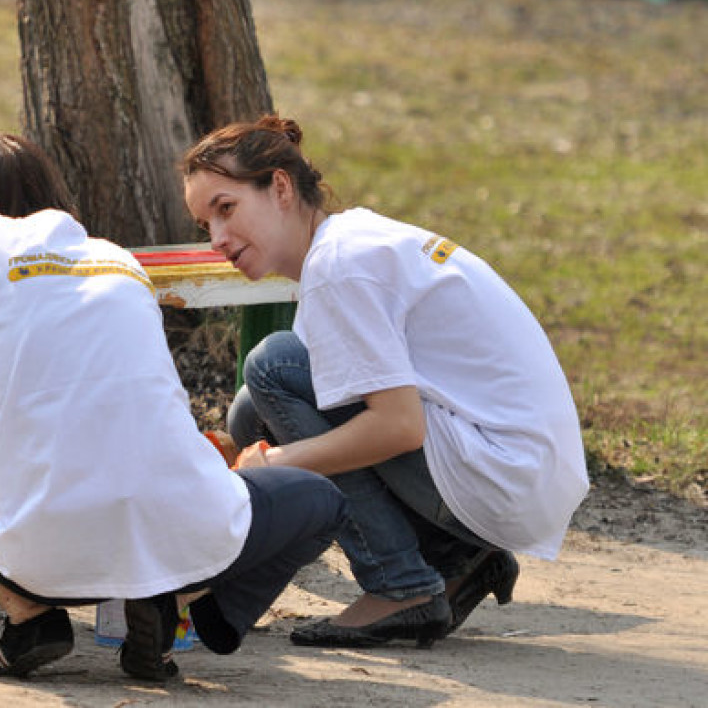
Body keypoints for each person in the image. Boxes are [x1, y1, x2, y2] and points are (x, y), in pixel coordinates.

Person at [0, 132, 345, 681]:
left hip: (41, 559)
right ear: (53, 193)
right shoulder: (116, 259)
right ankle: (173, 607)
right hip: (181, 535)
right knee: (320, 499)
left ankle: (27, 614)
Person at [180, 113, 589, 649]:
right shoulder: (349, 241)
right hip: (522, 471)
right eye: (204, 224)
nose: (216, 238)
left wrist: (277, 464)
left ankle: (400, 585)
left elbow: (398, 428)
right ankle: (454, 557)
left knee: (273, 367)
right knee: (253, 412)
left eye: (226, 209)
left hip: (505, 476)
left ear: (279, 186)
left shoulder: (339, 266)